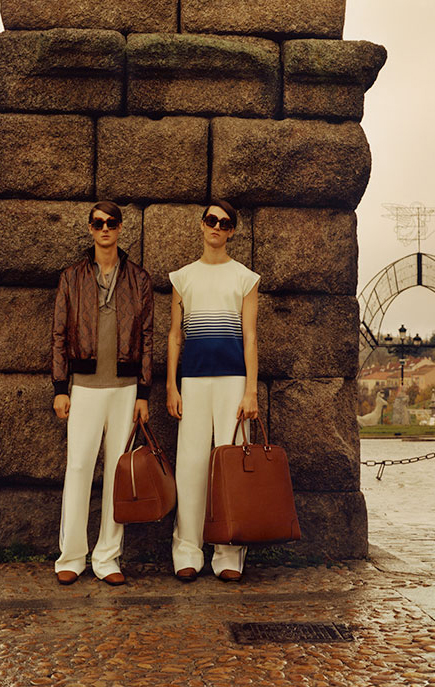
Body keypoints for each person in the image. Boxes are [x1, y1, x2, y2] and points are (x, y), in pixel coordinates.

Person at [52, 201, 153, 586]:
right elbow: (59, 334)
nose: (105, 228)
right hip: (84, 386)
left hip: (125, 389)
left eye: (111, 222)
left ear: (120, 227)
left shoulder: (139, 279)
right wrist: (60, 387)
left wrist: (143, 392)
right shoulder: (72, 277)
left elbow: (147, 338)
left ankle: (108, 557)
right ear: (91, 229)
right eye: (99, 223)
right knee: (78, 467)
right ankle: (72, 556)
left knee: (117, 473)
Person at [166, 199, 260, 582]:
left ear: (231, 230)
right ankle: (187, 548)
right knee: (190, 465)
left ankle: (229, 551)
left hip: (233, 381)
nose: (216, 227)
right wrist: (171, 386)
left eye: (224, 222)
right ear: (202, 225)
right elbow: (175, 336)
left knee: (231, 463)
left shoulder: (245, 278)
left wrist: (251, 390)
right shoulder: (182, 278)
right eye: (211, 220)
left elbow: (250, 337)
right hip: (192, 381)